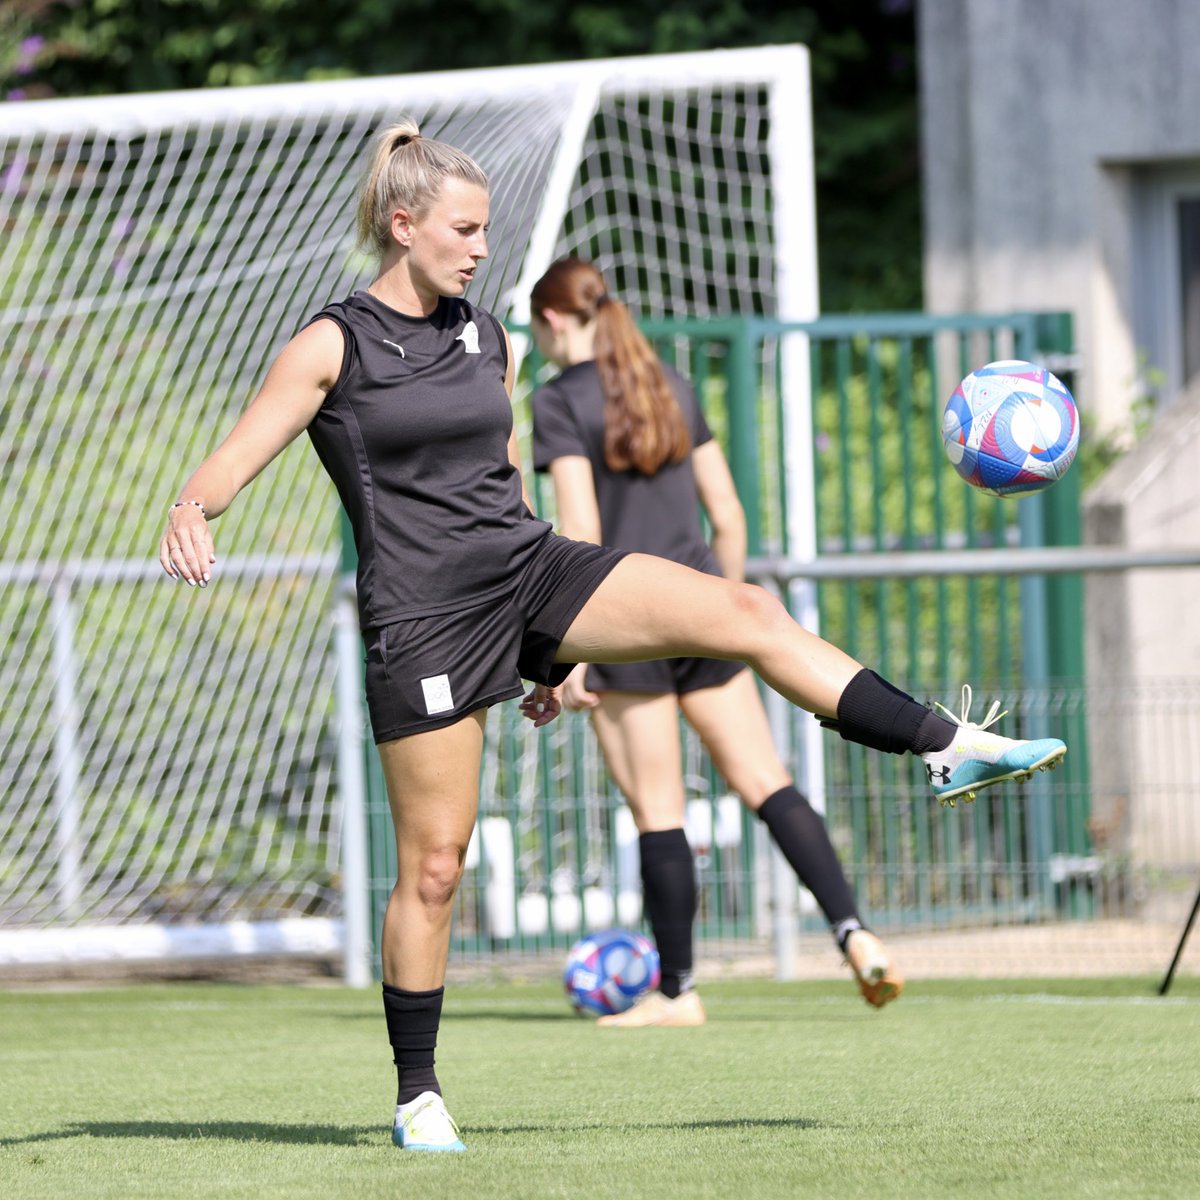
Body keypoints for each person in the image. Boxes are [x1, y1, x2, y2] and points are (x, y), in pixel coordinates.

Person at [158, 119, 1067, 1154]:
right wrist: (193, 508)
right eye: (463, 230)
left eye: (486, 229)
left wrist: (551, 645)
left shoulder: (489, 337)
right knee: (435, 868)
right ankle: (418, 1094)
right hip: (422, 619)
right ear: (402, 225)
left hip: (528, 569)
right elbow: (231, 460)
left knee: (747, 612)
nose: (481, 248)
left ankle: (946, 745)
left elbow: (501, 484)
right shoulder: (334, 343)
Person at [528, 256, 903, 1025]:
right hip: (701, 605)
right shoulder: (671, 383)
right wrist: (724, 615)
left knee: (659, 811)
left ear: (553, 321)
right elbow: (727, 515)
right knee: (767, 782)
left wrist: (572, 650)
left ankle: (678, 992)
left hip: (625, 621)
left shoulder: (558, 400)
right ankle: (853, 932)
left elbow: (581, 530)